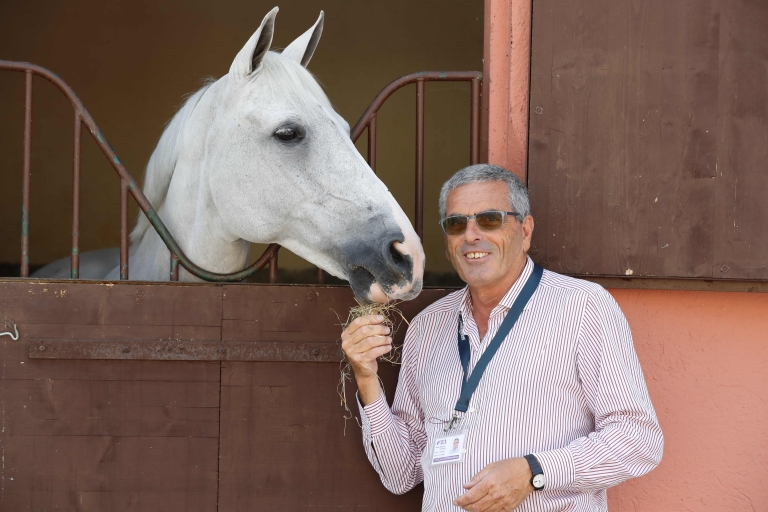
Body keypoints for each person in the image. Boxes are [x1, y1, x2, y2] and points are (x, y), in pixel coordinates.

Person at [341, 164, 663, 512]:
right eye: (456, 224)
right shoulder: (426, 327)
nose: (471, 235)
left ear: (525, 231)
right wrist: (366, 377)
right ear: (448, 244)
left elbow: (638, 439)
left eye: (490, 219)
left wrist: (534, 471)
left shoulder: (582, 307)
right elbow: (400, 474)